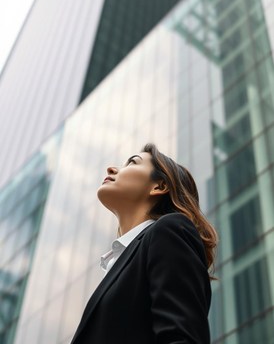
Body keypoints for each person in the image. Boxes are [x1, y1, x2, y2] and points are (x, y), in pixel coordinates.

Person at [70, 143, 218, 344]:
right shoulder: (121, 262)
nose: (112, 169)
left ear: (159, 186)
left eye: (132, 162)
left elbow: (181, 338)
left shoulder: (170, 230)